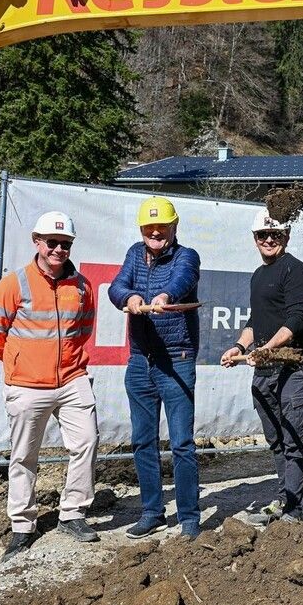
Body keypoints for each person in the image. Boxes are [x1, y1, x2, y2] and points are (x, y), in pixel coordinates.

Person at [0, 212, 99, 561]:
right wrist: (21, 362)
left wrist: (68, 362)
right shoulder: (14, 283)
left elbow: (84, 329)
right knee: (24, 455)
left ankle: (73, 513)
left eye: (65, 244)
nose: (58, 249)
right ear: (37, 242)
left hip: (72, 379)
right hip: (28, 385)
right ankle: (22, 525)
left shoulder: (82, 286)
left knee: (87, 442)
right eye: (52, 243)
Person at [108, 196, 202, 539]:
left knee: (182, 443)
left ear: (174, 227)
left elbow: (182, 280)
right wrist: (129, 298)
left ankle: (189, 517)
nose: (156, 233)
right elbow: (117, 286)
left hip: (176, 359)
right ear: (142, 230)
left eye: (162, 227)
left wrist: (164, 297)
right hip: (140, 360)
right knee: (142, 440)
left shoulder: (186, 256)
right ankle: (152, 512)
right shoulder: (135, 253)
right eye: (149, 228)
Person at [221, 209, 303, 525]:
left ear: (286, 236)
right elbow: (256, 321)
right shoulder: (258, 276)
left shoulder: (297, 272)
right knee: (275, 438)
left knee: (293, 436)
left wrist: (267, 348)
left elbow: (297, 319)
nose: (268, 240)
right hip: (264, 368)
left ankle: (294, 510)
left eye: (275, 234)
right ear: (255, 239)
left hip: (293, 366)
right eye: (262, 235)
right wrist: (239, 347)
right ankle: (283, 498)